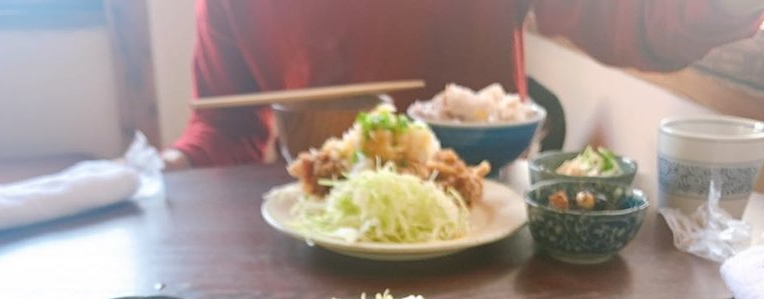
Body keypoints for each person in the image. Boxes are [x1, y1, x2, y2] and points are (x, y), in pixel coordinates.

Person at [162, 0, 764, 170]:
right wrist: (171, 166)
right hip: (312, 220)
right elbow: (221, 124)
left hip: (482, 213)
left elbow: (629, 25)